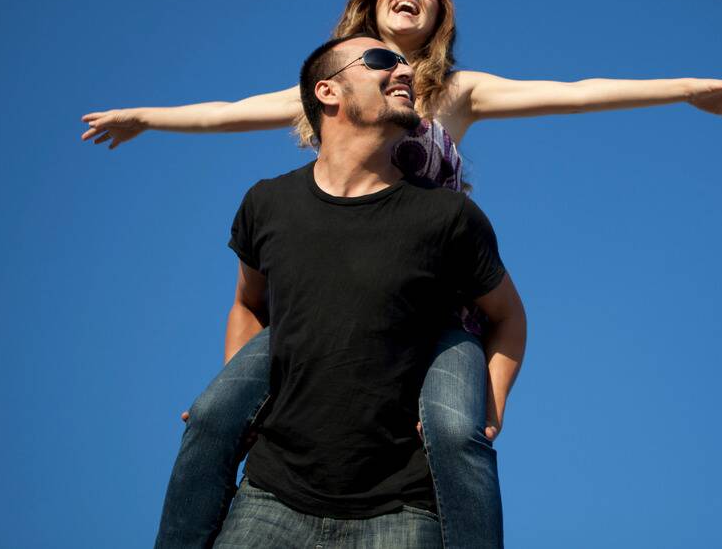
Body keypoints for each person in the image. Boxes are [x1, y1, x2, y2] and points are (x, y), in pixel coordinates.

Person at [81, 0, 722, 548]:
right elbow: (225, 110)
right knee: (209, 414)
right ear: (370, 6)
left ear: (438, 14)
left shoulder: (451, 93)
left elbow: (576, 93)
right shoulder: (331, 86)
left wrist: (686, 90)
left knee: (451, 427)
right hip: (327, 297)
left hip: (433, 304)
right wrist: (145, 117)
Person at [213, 33, 525, 548]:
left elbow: (509, 316)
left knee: (455, 432)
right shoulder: (267, 203)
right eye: (382, 61)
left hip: (404, 512)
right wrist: (237, 395)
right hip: (269, 500)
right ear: (327, 92)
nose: (403, 71)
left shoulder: (447, 217)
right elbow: (248, 303)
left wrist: (491, 401)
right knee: (206, 422)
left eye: (406, 64)